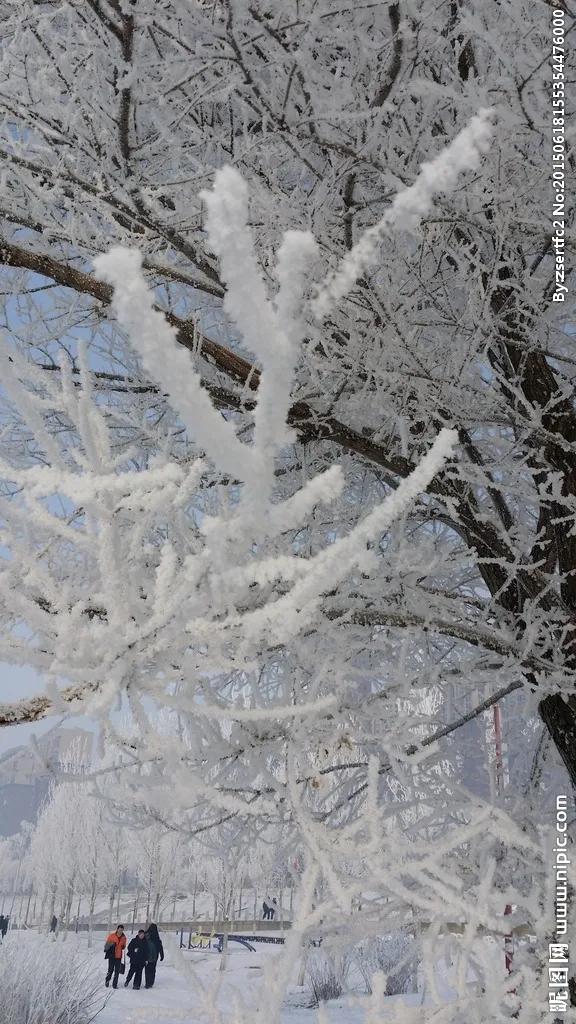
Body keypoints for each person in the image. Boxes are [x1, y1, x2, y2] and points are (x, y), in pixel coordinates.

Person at [104, 924, 127, 989]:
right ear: (117, 929)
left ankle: (115, 984)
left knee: (117, 971)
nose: (120, 931)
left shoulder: (124, 937)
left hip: (119, 956)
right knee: (110, 970)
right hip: (112, 955)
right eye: (119, 929)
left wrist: (123, 946)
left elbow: (124, 945)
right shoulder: (112, 936)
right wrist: (112, 945)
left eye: (122, 930)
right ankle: (107, 981)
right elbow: (106, 945)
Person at [144, 922, 164, 989]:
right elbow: (160, 947)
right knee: (152, 970)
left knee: (148, 970)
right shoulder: (155, 937)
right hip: (153, 956)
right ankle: (150, 983)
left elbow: (160, 947)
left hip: (149, 956)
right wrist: (162, 955)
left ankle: (148, 983)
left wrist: (162, 955)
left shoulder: (147, 935)